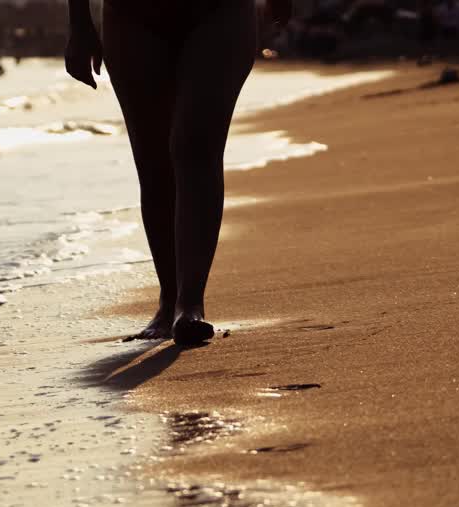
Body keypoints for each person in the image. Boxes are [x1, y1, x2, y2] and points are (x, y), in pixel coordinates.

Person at [65, 0, 291, 344]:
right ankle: (169, 299)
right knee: (153, 160)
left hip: (221, 13)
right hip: (131, 17)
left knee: (195, 145)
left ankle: (190, 303)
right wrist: (80, 24)